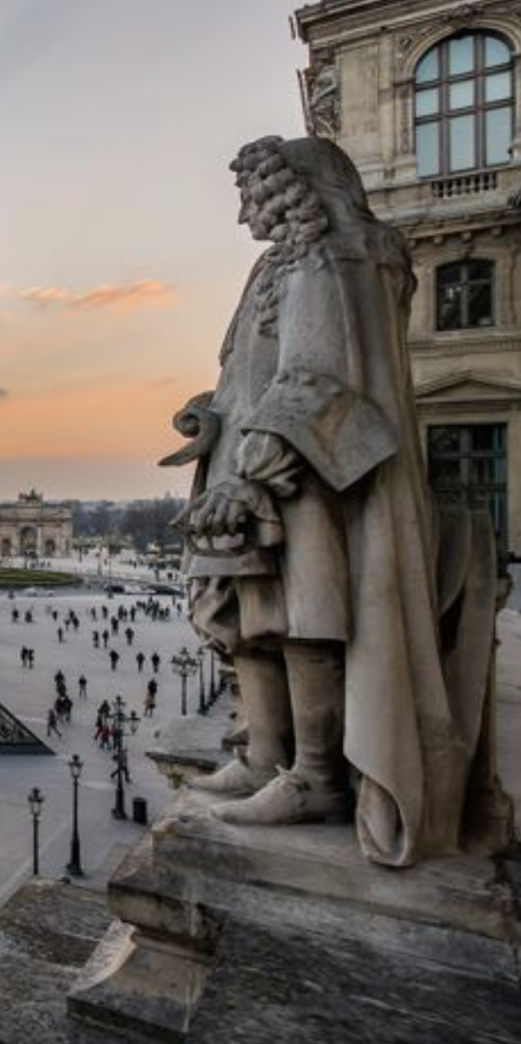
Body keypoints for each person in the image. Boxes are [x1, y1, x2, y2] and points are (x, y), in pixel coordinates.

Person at [169, 136, 505, 863]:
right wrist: (213, 413)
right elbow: (252, 373)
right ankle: (266, 754)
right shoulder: (284, 263)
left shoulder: (333, 260)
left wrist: (252, 467)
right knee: (246, 615)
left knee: (303, 619)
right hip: (252, 459)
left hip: (306, 469)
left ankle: (315, 773)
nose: (243, 214)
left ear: (295, 191)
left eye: (253, 197)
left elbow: (315, 377)